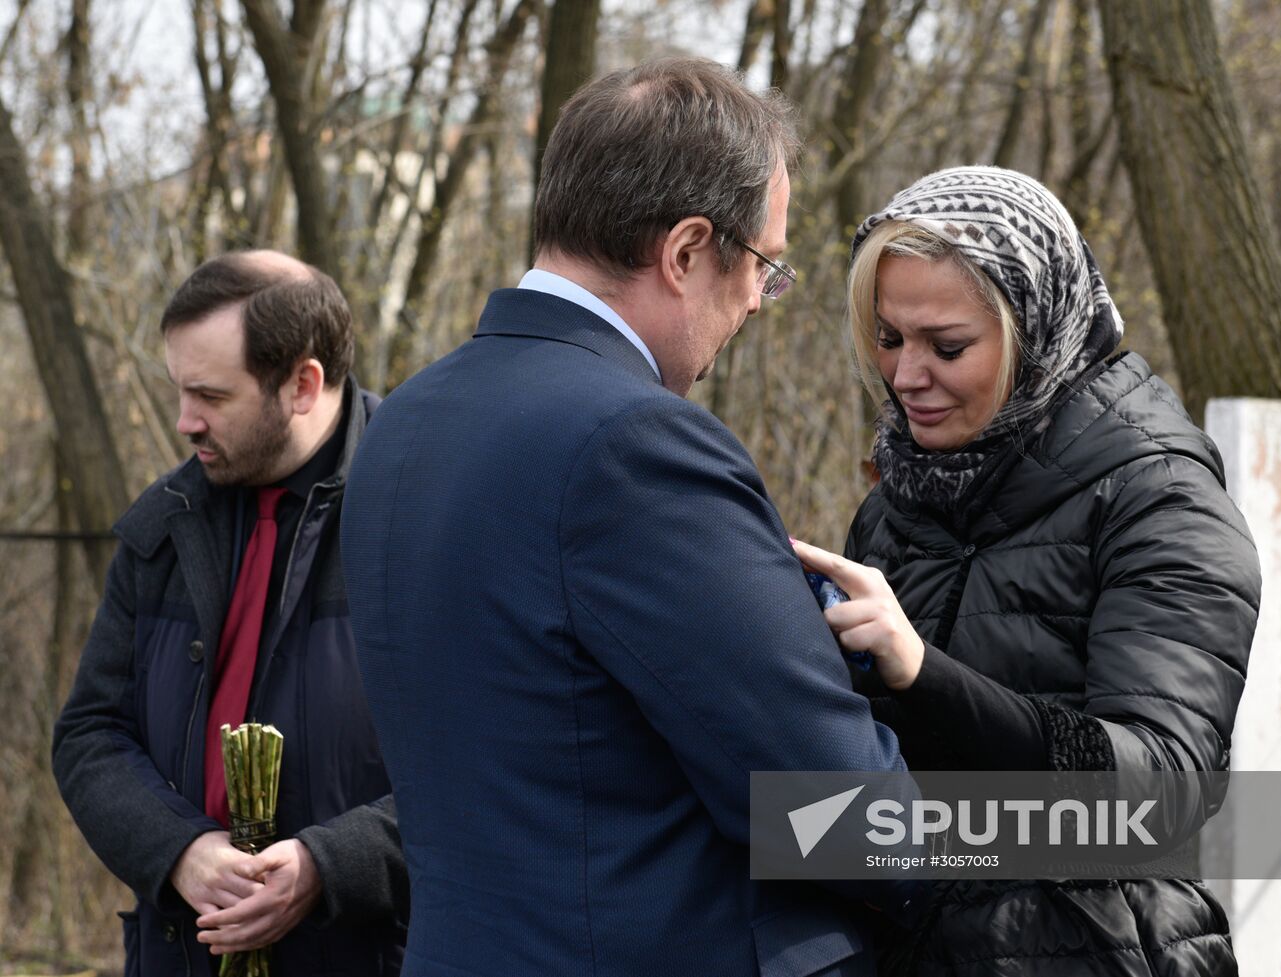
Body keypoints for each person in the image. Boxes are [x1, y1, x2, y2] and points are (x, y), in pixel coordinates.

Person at [340, 58, 923, 977]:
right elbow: (835, 812)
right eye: (765, 269)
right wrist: (1073, 834)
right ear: (689, 252)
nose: (756, 308)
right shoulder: (635, 443)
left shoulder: (404, 421)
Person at [791, 166, 1261, 976]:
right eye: (889, 337)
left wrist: (922, 675)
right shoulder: (901, 499)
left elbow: (1162, 798)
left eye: (948, 346)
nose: (905, 377)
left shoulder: (1160, 497)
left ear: (1035, 331)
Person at [52, 251, 407, 977]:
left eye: (211, 396)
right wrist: (180, 850)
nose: (184, 421)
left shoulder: (422, 518)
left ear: (303, 384)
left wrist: (327, 866)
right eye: (181, 391)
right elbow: (89, 734)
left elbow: (490, 767)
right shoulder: (163, 528)